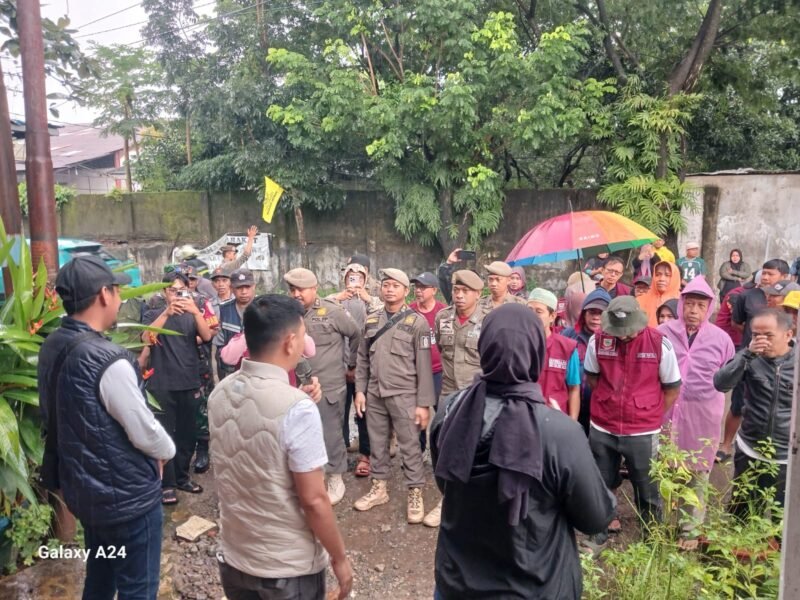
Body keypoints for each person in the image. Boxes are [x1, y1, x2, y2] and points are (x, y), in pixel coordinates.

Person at [431, 304, 615, 599]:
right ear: (537, 353)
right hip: (534, 587)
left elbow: (447, 484)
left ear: (483, 348)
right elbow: (595, 517)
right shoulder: (559, 432)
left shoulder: (450, 411)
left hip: (457, 583)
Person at [39, 256, 175, 599]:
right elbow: (144, 430)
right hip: (128, 501)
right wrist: (166, 451)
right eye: (117, 291)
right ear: (103, 294)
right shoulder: (107, 360)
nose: (120, 298)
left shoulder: (52, 345)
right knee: (137, 588)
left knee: (100, 578)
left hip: (86, 493)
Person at [208, 294, 352, 600]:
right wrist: (339, 558)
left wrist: (296, 398)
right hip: (285, 569)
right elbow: (314, 500)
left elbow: (256, 429)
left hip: (235, 558)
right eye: (302, 335)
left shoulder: (219, 393)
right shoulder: (296, 408)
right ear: (290, 342)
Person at [583, 296, 682, 548]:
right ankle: (598, 533)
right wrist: (610, 402)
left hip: (643, 430)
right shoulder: (598, 341)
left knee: (647, 487)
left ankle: (651, 538)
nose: (624, 335)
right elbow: (593, 378)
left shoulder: (660, 344)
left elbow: (672, 389)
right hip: (603, 426)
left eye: (629, 330)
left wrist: (649, 413)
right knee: (600, 483)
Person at [353, 269, 435, 523]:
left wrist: (423, 404)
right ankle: (379, 488)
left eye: (395, 286)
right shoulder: (371, 320)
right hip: (375, 393)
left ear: (405, 291)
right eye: (386, 285)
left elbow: (424, 366)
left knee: (410, 445)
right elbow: (362, 359)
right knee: (377, 443)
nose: (389, 289)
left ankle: (415, 491)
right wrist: (360, 390)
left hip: (405, 395)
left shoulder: (418, 323)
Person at [658, 277, 735, 549]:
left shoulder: (721, 339)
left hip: (703, 414)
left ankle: (689, 529)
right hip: (667, 410)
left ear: (709, 308)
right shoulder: (663, 333)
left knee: (697, 471)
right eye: (689, 304)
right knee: (663, 468)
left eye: (700, 306)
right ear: (681, 304)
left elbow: (727, 374)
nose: (693, 310)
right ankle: (661, 522)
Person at [285, 268, 362, 506]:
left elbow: (356, 334)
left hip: (328, 385)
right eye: (292, 289)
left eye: (301, 289)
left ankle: (336, 477)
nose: (296, 294)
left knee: (331, 433)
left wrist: (351, 365)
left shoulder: (332, 311)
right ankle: (308, 476)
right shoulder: (286, 314)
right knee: (299, 433)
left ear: (315, 288)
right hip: (295, 387)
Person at [714, 309, 795, 522]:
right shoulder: (750, 357)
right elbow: (721, 384)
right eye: (756, 335)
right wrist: (746, 355)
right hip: (750, 449)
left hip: (787, 456)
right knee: (742, 514)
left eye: (768, 335)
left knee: (783, 519)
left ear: (788, 334)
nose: (761, 341)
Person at [143, 272, 214, 505]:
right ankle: (167, 484)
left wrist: (195, 312)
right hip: (162, 383)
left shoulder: (193, 314)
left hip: (189, 380)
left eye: (181, 290)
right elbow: (146, 338)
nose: (177, 295)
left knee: (187, 434)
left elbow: (206, 336)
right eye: (172, 290)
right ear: (164, 292)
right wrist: (166, 313)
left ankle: (183, 477)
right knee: (164, 434)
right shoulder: (154, 313)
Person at [426, 270, 490, 528]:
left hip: (476, 394)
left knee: (478, 447)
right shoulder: (442, 318)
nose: (459, 295)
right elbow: (442, 349)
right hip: (448, 393)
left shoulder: (488, 320)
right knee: (445, 445)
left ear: (478, 294)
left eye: (466, 291)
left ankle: (477, 499)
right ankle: (448, 498)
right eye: (456, 290)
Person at [719, 259, 791, 462]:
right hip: (751, 357)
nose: (765, 277)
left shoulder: (792, 298)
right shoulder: (747, 296)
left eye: (771, 274)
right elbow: (737, 323)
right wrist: (757, 341)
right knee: (738, 404)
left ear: (784, 277)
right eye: (764, 273)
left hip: (782, 363)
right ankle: (726, 444)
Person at [336, 262, 376, 478]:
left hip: (364, 367)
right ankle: (340, 451)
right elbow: (318, 306)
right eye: (350, 277)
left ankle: (365, 455)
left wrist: (368, 299)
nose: (355, 282)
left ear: (365, 280)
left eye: (359, 278)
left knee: (364, 412)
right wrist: (338, 297)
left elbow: (387, 312)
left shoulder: (372, 302)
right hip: (338, 366)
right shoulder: (335, 301)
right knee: (339, 411)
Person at [562, 288, 612, 435]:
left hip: (602, 411)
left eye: (601, 313)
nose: (596, 318)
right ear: (584, 313)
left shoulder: (614, 339)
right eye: (592, 312)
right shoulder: (569, 335)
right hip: (571, 407)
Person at [526, 288, 581, 420]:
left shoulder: (566, 347)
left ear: (552, 316)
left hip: (555, 418)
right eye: (529, 310)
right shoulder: (518, 344)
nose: (532, 316)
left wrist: (571, 423)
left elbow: (574, 388)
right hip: (525, 416)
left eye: (539, 312)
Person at [409, 271, 447, 449]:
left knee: (442, 414)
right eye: (417, 287)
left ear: (434, 290)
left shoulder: (443, 312)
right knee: (416, 415)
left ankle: (441, 450)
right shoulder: (409, 311)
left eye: (423, 287)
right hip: (415, 372)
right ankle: (418, 451)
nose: (418, 291)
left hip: (438, 371)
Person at [214, 268, 257, 380]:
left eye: (247, 287)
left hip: (255, 369)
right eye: (239, 288)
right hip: (230, 371)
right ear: (232, 289)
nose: (244, 292)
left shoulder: (263, 307)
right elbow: (220, 344)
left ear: (254, 287)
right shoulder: (223, 309)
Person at [637, 260, 681, 327]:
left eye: (667, 275)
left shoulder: (683, 301)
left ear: (675, 277)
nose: (661, 279)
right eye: (657, 275)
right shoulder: (640, 300)